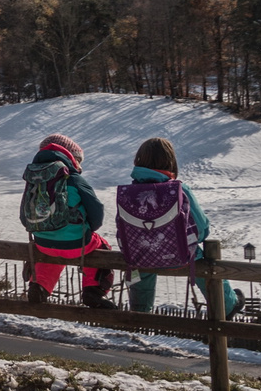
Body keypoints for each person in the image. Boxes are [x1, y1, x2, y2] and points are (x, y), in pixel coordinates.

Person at [126, 136, 242, 316]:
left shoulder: (129, 192)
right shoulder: (180, 190)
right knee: (203, 261)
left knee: (141, 268)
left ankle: (140, 311)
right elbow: (201, 229)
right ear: (170, 161)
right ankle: (227, 304)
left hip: (141, 255)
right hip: (180, 257)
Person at [25, 134, 116, 309]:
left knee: (53, 251)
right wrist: (89, 229)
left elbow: (24, 215)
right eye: (78, 160)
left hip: (42, 243)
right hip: (76, 243)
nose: (80, 166)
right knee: (101, 245)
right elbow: (97, 212)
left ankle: (39, 286)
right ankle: (93, 291)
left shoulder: (34, 179)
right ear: (70, 157)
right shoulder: (74, 178)